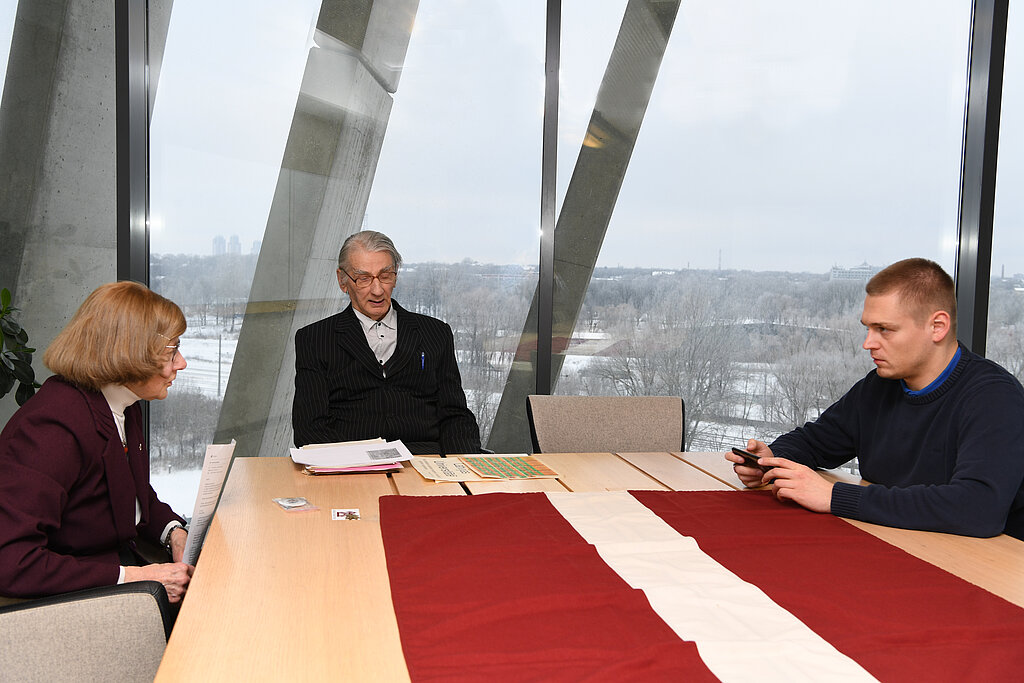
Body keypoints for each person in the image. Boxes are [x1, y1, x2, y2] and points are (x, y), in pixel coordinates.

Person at [727, 258, 1024, 539]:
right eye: (868, 328)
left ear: (938, 327)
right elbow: (814, 442)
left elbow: (978, 507)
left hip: (980, 562)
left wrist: (834, 497)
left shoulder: (994, 398)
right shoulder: (879, 386)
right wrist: (771, 461)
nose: (868, 343)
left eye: (884, 329)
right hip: (896, 541)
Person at [0, 282, 194, 603]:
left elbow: (130, 494)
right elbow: (10, 562)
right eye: (172, 351)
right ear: (131, 353)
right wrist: (133, 578)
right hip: (71, 603)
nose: (181, 363)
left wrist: (174, 532)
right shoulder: (53, 427)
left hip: (115, 572)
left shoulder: (123, 404)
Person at [292, 230, 481, 455]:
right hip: (351, 463)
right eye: (363, 278)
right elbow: (309, 429)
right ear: (342, 281)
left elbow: (455, 416)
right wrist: (344, 465)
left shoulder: (436, 333)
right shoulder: (314, 339)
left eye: (385, 275)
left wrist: (460, 466)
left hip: (424, 459)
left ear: (396, 276)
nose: (377, 290)